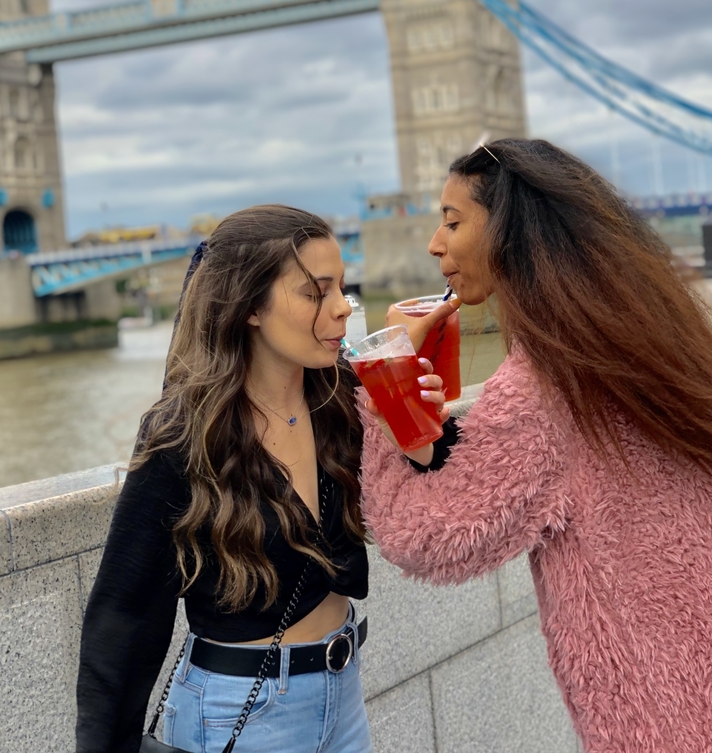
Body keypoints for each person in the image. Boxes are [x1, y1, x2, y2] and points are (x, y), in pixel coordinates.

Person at [360, 138, 712, 753]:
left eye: (452, 221)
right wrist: (434, 443)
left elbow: (428, 537)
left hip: (658, 723)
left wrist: (379, 383)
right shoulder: (644, 342)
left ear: (511, 231)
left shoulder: (545, 385)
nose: (434, 244)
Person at [75, 205, 449, 753]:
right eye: (315, 292)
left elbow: (433, 503)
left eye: (341, 288)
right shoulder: (185, 433)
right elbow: (124, 612)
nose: (343, 308)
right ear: (250, 306)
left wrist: (423, 445)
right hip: (239, 716)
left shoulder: (344, 396)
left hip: (343, 700)